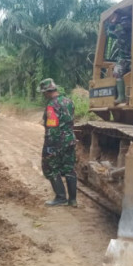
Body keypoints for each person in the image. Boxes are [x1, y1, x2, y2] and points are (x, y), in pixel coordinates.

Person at [38, 78, 78, 207]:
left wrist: (49, 147)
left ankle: (61, 197)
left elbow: (52, 126)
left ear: (47, 92)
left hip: (56, 142)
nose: (43, 95)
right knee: (69, 168)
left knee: (50, 168)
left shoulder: (52, 105)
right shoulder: (69, 101)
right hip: (70, 140)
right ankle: (72, 200)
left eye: (44, 93)